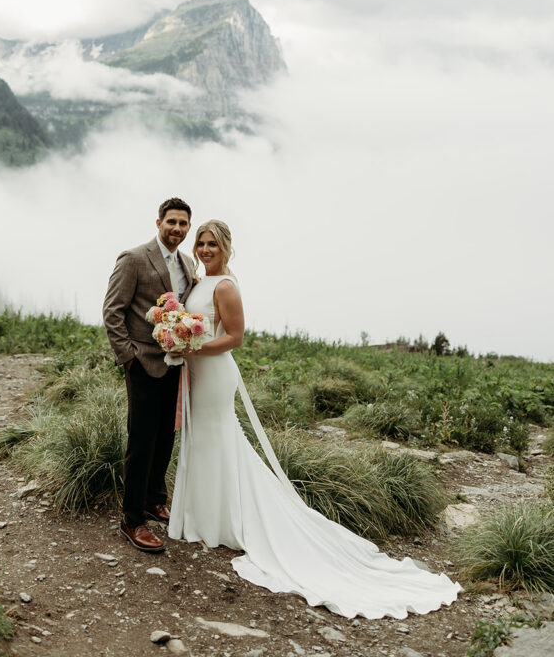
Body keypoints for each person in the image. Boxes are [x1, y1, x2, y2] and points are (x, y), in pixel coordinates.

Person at [168, 219, 462, 619]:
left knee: (218, 437)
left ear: (226, 248)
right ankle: (204, 517)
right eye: (201, 243)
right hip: (197, 370)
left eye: (212, 244)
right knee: (201, 440)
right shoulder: (197, 283)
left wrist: (195, 347)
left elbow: (235, 337)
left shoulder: (226, 287)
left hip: (214, 373)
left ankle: (227, 521)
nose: (204, 250)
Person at [103, 197, 194, 553]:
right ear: (158, 223)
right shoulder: (134, 258)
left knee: (164, 438)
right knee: (140, 441)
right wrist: (130, 359)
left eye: (183, 224)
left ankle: (156, 500)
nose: (177, 229)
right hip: (143, 363)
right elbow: (113, 312)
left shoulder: (187, 263)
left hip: (176, 365)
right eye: (171, 222)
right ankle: (132, 519)